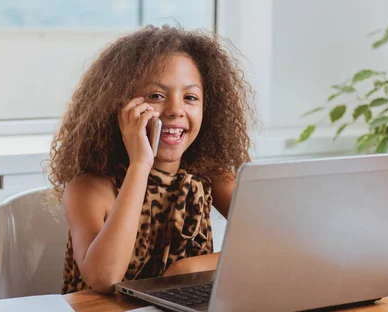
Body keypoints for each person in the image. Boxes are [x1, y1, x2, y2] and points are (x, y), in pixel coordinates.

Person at [48, 25, 255, 294]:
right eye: (156, 96)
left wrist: (187, 270)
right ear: (118, 106)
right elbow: (104, 277)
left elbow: (275, 244)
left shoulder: (211, 176)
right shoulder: (90, 187)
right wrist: (140, 165)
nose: (175, 110)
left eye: (190, 97)